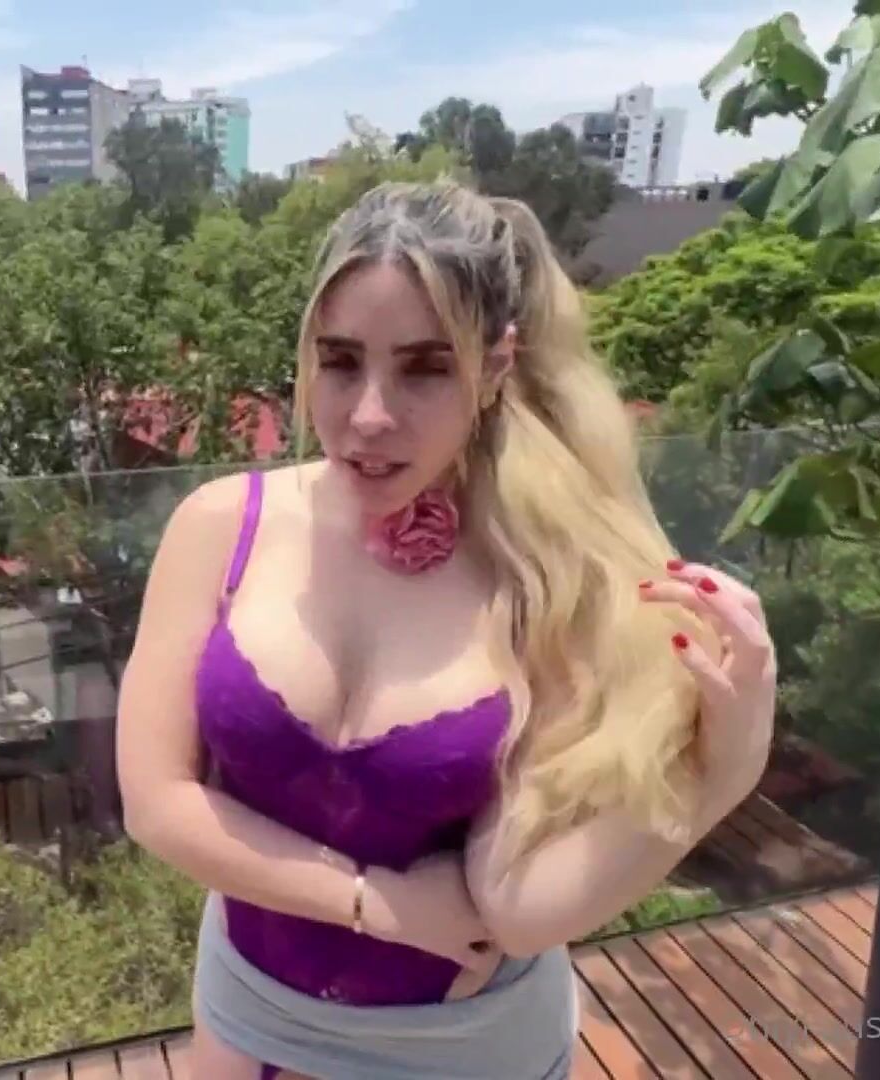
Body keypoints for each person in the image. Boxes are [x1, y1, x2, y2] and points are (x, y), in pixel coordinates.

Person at [116, 180, 776, 1079]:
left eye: (425, 368)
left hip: (464, 1047)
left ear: (496, 367)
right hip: (252, 1008)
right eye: (340, 361)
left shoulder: (545, 576)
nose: (369, 414)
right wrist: (373, 901)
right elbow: (157, 801)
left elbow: (522, 906)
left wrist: (721, 774)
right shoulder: (221, 525)